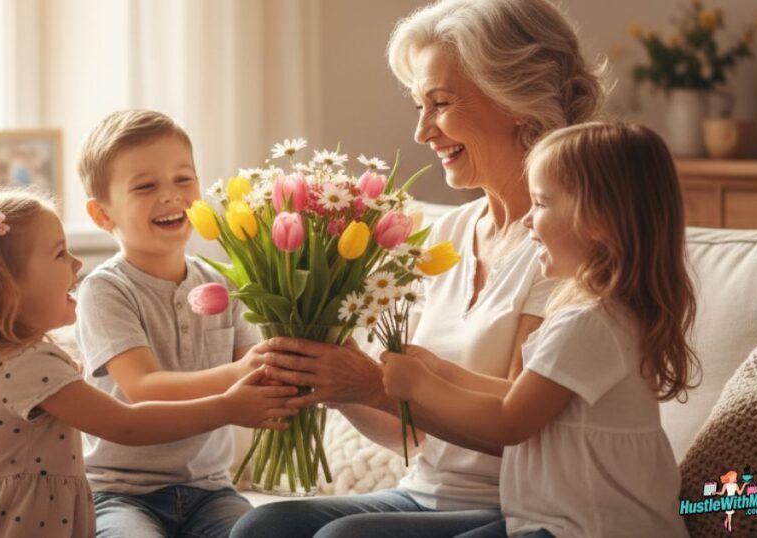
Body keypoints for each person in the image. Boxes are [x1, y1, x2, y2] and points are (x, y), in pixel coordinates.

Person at [232, 0, 604, 536]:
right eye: (419, 107)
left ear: (516, 100)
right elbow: (415, 436)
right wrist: (333, 377)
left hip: (522, 506)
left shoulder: (565, 246)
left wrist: (374, 386)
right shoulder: (447, 237)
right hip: (424, 496)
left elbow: (520, 429)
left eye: (440, 104)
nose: (422, 132)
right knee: (263, 527)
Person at [0, 191, 296, 538]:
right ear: (5, 286)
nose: (76, 263)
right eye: (59, 254)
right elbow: (126, 425)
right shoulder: (29, 365)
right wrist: (227, 407)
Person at [382, 121, 695, 536]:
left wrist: (420, 385)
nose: (527, 220)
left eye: (541, 204)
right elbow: (521, 396)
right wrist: (440, 370)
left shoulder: (589, 324)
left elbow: (509, 422)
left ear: (598, 220)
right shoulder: (598, 313)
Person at [74, 109, 277, 537]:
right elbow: (144, 387)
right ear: (102, 214)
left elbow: (257, 374)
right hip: (121, 492)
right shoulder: (105, 290)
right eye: (145, 186)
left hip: (211, 491)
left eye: (183, 179)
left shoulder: (225, 282)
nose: (171, 196)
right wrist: (237, 375)